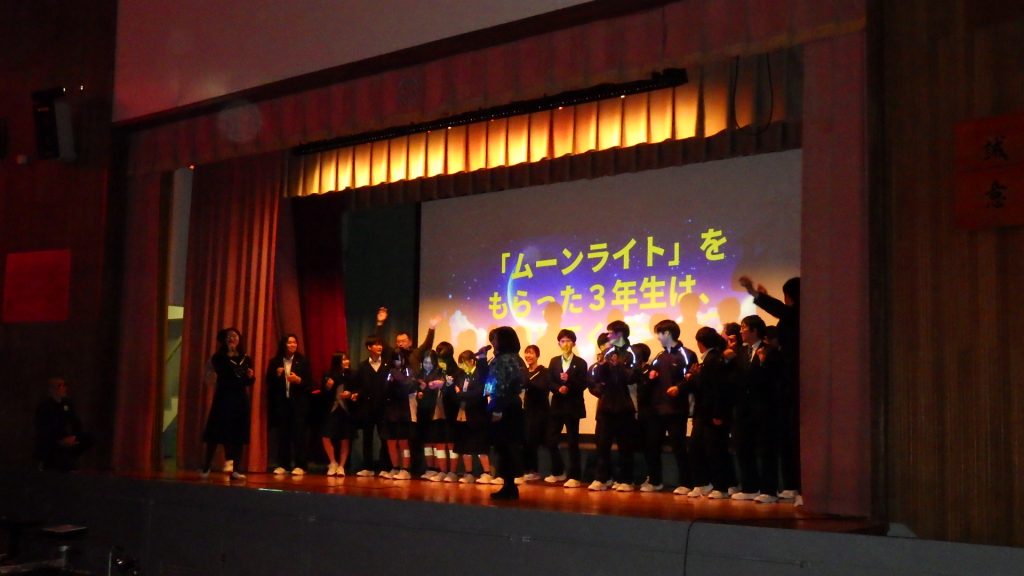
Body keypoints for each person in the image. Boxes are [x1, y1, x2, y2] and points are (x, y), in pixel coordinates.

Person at [739, 275, 801, 500]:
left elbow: (783, 312)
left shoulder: (798, 314)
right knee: (784, 440)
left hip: (788, 385)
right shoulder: (791, 317)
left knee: (784, 441)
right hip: (779, 388)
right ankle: (790, 485)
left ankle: (786, 487)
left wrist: (756, 294)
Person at [731, 314, 782, 503]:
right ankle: (750, 487)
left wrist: (762, 363)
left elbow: (775, 378)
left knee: (767, 448)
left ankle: (769, 490)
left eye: (744, 327)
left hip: (763, 407)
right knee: (743, 447)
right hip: (742, 408)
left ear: (754, 330)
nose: (741, 331)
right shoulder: (739, 352)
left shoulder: (770, 351)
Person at [641, 319, 696, 494]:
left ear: (668, 333)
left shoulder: (687, 354)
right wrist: (650, 377)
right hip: (657, 410)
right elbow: (649, 380)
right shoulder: (659, 356)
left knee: (679, 447)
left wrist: (679, 388)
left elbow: (692, 378)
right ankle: (655, 481)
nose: (658, 337)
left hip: (676, 410)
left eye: (659, 333)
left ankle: (686, 483)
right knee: (652, 446)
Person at [686, 327, 735, 499]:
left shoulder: (714, 359)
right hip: (704, 412)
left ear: (701, 343)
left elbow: (717, 389)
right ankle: (703, 483)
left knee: (715, 450)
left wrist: (718, 414)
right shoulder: (709, 360)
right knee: (697, 448)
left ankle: (721, 486)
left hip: (711, 413)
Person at [201, 327, 255, 480]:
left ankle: (236, 469)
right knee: (215, 433)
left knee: (239, 434)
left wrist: (250, 376)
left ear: (239, 339)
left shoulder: (246, 358)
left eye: (235, 336)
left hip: (240, 399)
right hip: (223, 398)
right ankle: (206, 466)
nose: (232, 339)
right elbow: (221, 373)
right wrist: (229, 354)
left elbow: (247, 382)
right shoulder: (218, 357)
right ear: (224, 340)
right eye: (229, 336)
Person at [587, 339, 637, 492]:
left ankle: (626, 479)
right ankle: (602, 478)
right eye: (604, 345)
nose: (607, 348)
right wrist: (602, 390)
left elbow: (631, 378)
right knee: (602, 446)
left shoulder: (628, 357)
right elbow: (593, 383)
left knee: (625, 446)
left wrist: (618, 366)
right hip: (605, 410)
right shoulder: (599, 364)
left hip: (624, 409)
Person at [484, 326, 527, 500]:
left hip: (504, 406)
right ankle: (509, 485)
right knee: (507, 446)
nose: (493, 342)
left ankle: (509, 486)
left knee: (505, 446)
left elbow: (501, 385)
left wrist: (497, 409)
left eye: (495, 338)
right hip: (510, 405)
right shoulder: (514, 358)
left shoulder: (504, 360)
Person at [544, 329, 589, 489]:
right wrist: (558, 388)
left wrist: (569, 383)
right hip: (557, 406)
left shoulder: (581, 362)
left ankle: (574, 476)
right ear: (559, 344)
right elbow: (549, 381)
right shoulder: (554, 361)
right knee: (551, 439)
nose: (565, 344)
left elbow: (583, 383)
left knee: (572, 442)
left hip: (572, 406)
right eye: (562, 341)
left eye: (568, 341)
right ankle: (558, 471)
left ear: (574, 343)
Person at [266, 334, 313, 475]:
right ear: (284, 345)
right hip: (282, 403)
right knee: (283, 434)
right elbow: (268, 382)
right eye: (290, 342)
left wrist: (298, 380)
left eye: (295, 342)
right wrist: (276, 374)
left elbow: (310, 383)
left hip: (298, 404)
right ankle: (283, 464)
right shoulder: (275, 362)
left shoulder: (303, 361)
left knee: (299, 434)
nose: (293, 345)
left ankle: (300, 465)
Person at [350, 335, 391, 477]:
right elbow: (358, 386)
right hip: (367, 407)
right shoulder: (362, 366)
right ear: (369, 347)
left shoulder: (387, 364)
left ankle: (385, 467)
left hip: (384, 408)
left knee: (384, 438)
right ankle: (367, 467)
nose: (380, 347)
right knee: (367, 438)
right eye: (376, 344)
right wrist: (356, 394)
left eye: (381, 344)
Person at [34, 377, 93, 471]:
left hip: (65, 437)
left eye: (64, 385)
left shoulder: (67, 404)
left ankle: (69, 458)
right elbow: (44, 429)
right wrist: (60, 441)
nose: (63, 388)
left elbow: (75, 421)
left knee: (89, 437)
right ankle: (49, 461)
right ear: (52, 389)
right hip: (52, 440)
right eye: (60, 386)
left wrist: (74, 436)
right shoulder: (45, 406)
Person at [453, 350, 494, 483]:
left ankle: (487, 472)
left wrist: (460, 394)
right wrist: (458, 394)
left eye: (464, 363)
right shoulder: (461, 375)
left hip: (478, 414)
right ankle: (468, 473)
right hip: (462, 413)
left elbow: (479, 393)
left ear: (472, 361)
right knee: (465, 446)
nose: (462, 366)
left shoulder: (479, 374)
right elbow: (456, 391)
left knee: (480, 445)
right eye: (460, 363)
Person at [383, 350, 417, 480]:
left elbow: (407, 385)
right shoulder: (389, 371)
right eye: (395, 359)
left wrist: (396, 376)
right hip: (390, 410)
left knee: (403, 441)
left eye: (400, 358)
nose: (398, 361)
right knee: (391, 441)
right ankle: (395, 467)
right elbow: (385, 388)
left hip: (404, 411)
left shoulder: (408, 370)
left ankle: (406, 469)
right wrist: (391, 379)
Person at [320, 351, 354, 476]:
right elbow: (323, 393)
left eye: (347, 359)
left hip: (346, 410)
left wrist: (350, 394)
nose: (346, 362)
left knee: (345, 438)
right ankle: (333, 462)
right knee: (325, 435)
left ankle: (342, 466)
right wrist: (328, 387)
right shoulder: (329, 374)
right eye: (343, 360)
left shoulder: (352, 374)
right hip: (332, 409)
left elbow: (358, 389)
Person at [520, 344, 550, 483]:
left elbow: (542, 388)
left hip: (539, 412)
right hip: (526, 410)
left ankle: (535, 470)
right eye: (526, 353)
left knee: (533, 441)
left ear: (537, 355)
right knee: (525, 441)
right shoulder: (523, 372)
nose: (528, 356)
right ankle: (527, 469)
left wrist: (527, 383)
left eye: (531, 353)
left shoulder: (543, 371)